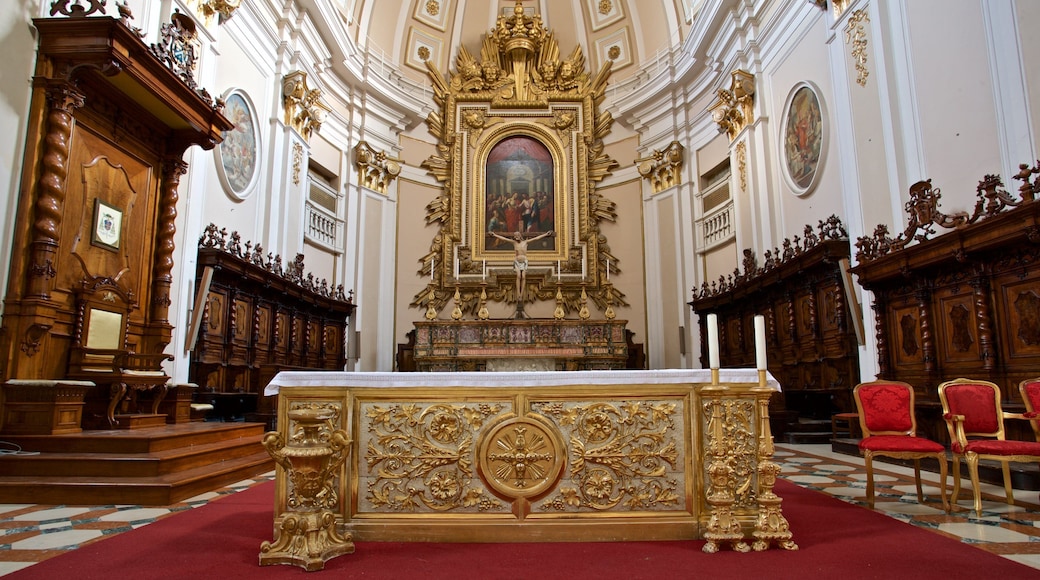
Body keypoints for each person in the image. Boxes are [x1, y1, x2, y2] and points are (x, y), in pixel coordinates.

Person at [489, 230, 554, 302]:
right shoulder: (514, 243)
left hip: (524, 262)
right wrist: (494, 235)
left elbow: (536, 238)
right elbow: (504, 239)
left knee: (523, 277)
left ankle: (521, 294)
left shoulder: (525, 242)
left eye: (517, 235)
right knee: (518, 276)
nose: (516, 237)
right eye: (515, 236)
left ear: (520, 236)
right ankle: (518, 294)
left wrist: (545, 234)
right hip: (517, 261)